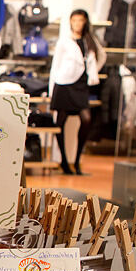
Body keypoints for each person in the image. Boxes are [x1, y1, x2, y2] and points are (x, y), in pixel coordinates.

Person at [48, 9, 105, 175]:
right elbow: (55, 66)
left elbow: (101, 56)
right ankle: (64, 161)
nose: (78, 24)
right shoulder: (64, 42)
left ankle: (77, 160)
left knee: (86, 119)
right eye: (75, 20)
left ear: (85, 22)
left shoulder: (89, 41)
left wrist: (92, 72)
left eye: (81, 20)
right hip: (64, 84)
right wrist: (52, 90)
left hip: (80, 85)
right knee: (60, 123)